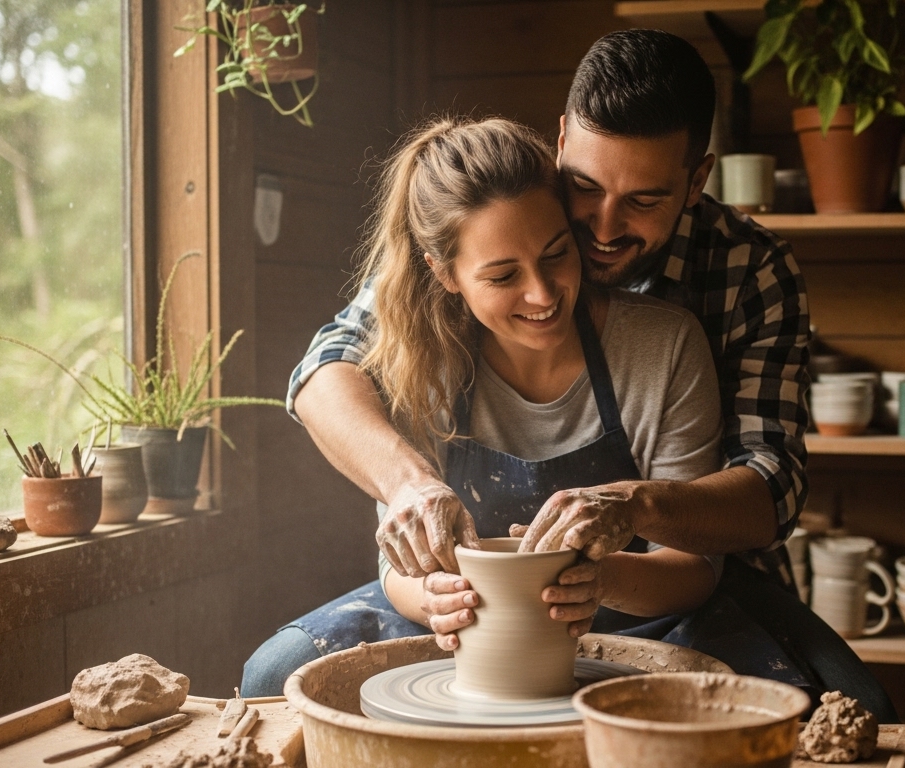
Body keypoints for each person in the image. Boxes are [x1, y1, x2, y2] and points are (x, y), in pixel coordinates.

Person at [270, 30, 897, 721]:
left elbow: (770, 487)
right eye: (586, 189)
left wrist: (634, 508)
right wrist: (409, 484)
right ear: (562, 142)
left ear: (697, 178)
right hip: (477, 615)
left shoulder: (744, 275)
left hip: (678, 576)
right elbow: (326, 369)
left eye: (644, 201)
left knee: (851, 713)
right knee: (277, 674)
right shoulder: (486, 227)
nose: (600, 225)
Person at [242, 115, 801, 696]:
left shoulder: (664, 343)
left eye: (558, 254)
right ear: (443, 272)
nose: (542, 293)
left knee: (804, 701)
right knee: (272, 675)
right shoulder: (418, 347)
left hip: (641, 608)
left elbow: (695, 566)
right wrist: (434, 596)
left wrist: (600, 577)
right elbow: (398, 563)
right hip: (467, 631)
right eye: (503, 275)